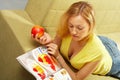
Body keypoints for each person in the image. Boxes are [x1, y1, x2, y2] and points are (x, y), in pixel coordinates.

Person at [32, 1, 120, 80]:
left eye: (80, 28)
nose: (73, 32)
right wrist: (48, 41)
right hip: (99, 39)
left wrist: (59, 57)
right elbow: (55, 47)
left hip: (113, 60)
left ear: (91, 26)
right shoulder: (65, 27)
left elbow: (76, 78)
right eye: (71, 26)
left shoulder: (98, 52)